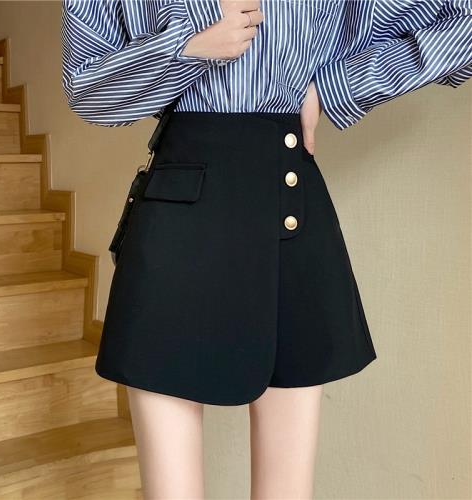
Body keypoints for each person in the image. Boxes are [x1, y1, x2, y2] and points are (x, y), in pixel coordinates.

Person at [61, 0, 472, 498]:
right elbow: (87, 89)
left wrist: (337, 88)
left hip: (288, 206)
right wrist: (187, 46)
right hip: (178, 212)